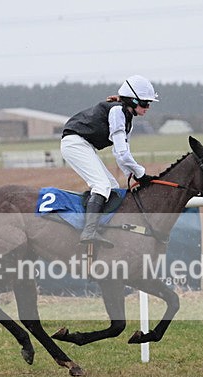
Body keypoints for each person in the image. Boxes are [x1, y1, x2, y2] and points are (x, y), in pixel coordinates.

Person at [61, 74, 158, 248]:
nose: (147, 107)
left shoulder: (128, 118)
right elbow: (122, 154)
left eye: (149, 103)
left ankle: (102, 228)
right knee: (102, 186)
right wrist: (141, 174)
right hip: (74, 143)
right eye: (144, 103)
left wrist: (133, 176)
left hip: (84, 144)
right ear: (133, 101)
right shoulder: (117, 112)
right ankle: (89, 231)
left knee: (112, 186)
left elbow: (121, 154)